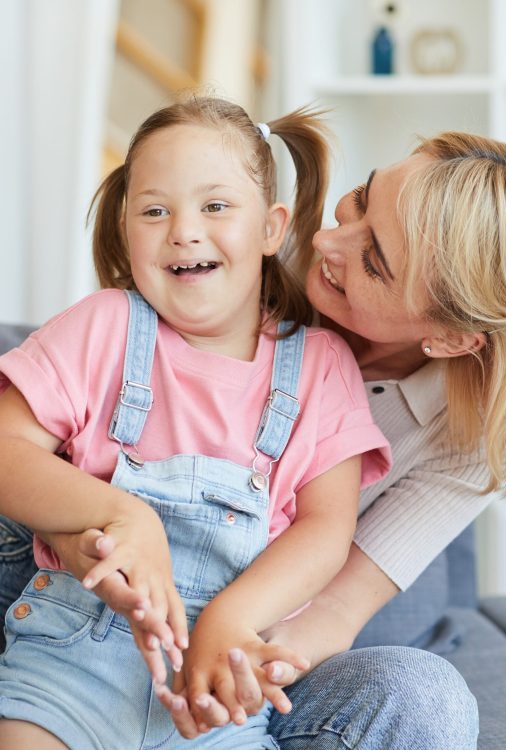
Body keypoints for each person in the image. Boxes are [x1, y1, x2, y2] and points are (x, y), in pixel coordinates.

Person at [2, 128, 506, 748]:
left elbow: (333, 598)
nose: (323, 239)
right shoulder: (221, 247)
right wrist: (92, 528)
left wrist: (230, 664)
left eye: (373, 259)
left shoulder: (443, 429)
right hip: (80, 589)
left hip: (254, 632)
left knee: (426, 698)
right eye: (358, 199)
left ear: (453, 337)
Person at [0, 95, 391, 749]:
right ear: (127, 229)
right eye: (155, 211)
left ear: (271, 228)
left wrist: (233, 618)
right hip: (67, 669)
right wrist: (128, 517)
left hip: (217, 693)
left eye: (214, 206)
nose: (183, 229)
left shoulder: (321, 366)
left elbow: (328, 529)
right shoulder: (105, 325)